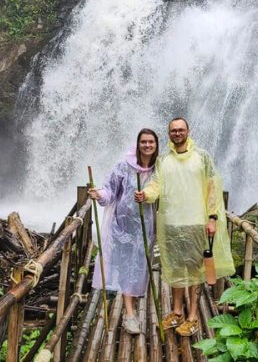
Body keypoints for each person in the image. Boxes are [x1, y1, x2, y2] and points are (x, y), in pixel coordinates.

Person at [135, 117, 234, 337]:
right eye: (173, 130)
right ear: (169, 133)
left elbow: (213, 189)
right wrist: (146, 194)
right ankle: (177, 312)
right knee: (176, 269)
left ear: (188, 131)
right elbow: (156, 184)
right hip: (171, 224)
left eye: (181, 130)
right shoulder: (164, 160)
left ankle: (193, 317)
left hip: (195, 223)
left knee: (195, 271)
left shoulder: (203, 157)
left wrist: (212, 218)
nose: (177, 133)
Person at [89, 128, 159, 335]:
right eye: (143, 142)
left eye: (151, 142)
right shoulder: (123, 166)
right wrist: (99, 194)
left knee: (138, 267)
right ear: (138, 144)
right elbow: (110, 191)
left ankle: (129, 307)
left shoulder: (159, 169)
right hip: (121, 226)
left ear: (156, 145)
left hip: (145, 228)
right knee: (127, 266)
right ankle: (129, 314)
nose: (147, 145)